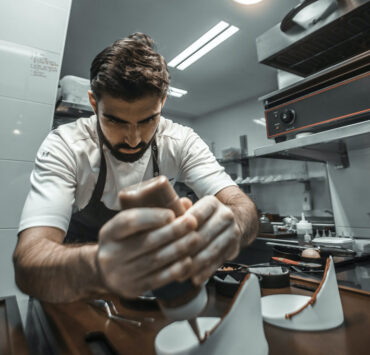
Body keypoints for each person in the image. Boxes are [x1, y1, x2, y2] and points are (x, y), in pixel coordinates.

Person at [13, 33, 258, 303]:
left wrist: (229, 227)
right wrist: (101, 265)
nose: (133, 139)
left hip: (146, 298)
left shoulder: (181, 141)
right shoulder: (66, 145)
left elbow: (242, 206)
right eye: (116, 121)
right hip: (73, 294)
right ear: (94, 103)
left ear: (162, 102)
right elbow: (29, 262)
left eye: (147, 120)